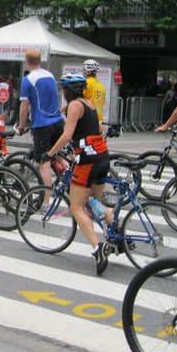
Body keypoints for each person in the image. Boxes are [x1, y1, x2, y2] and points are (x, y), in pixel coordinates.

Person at [46, 74, 112, 275]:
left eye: (63, 90)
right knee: (94, 201)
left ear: (68, 91)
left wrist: (49, 153)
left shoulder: (75, 105)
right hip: (102, 156)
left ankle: (97, 248)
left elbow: (67, 135)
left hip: (88, 161)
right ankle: (116, 234)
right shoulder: (88, 103)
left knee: (77, 207)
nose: (62, 93)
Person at [16, 49, 65, 186]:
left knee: (44, 162)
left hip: (42, 125)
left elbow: (24, 106)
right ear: (40, 60)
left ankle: (45, 197)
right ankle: (70, 177)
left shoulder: (28, 79)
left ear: (27, 61)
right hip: (58, 121)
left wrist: (21, 126)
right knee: (56, 154)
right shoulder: (50, 75)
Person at [82, 59, 106, 126]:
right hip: (99, 121)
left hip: (87, 121)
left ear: (86, 71)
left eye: (83, 69)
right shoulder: (101, 85)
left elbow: (78, 101)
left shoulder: (85, 83)